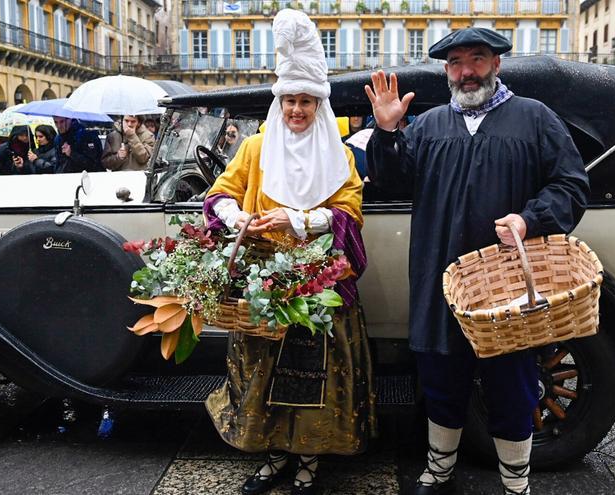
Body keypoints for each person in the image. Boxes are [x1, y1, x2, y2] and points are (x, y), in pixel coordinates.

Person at [365, 28, 589, 495]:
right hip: (440, 279)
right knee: (440, 381)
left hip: (506, 286)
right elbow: (391, 182)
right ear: (447, 71)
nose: (466, 71)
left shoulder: (534, 118)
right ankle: (438, 470)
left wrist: (530, 219)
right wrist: (387, 133)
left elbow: (571, 184)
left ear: (497, 64)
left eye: (477, 59)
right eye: (456, 63)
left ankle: (516, 483)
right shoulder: (428, 126)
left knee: (513, 385)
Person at [204, 10, 373, 495]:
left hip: (320, 282)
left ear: (319, 105)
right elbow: (219, 195)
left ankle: (309, 460)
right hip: (263, 284)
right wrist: (241, 218)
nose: (297, 110)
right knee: (264, 373)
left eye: (305, 102)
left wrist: (297, 220)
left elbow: (348, 211)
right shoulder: (255, 148)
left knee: (315, 375)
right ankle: (274, 456)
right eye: (290, 101)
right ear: (279, 104)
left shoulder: (339, 154)